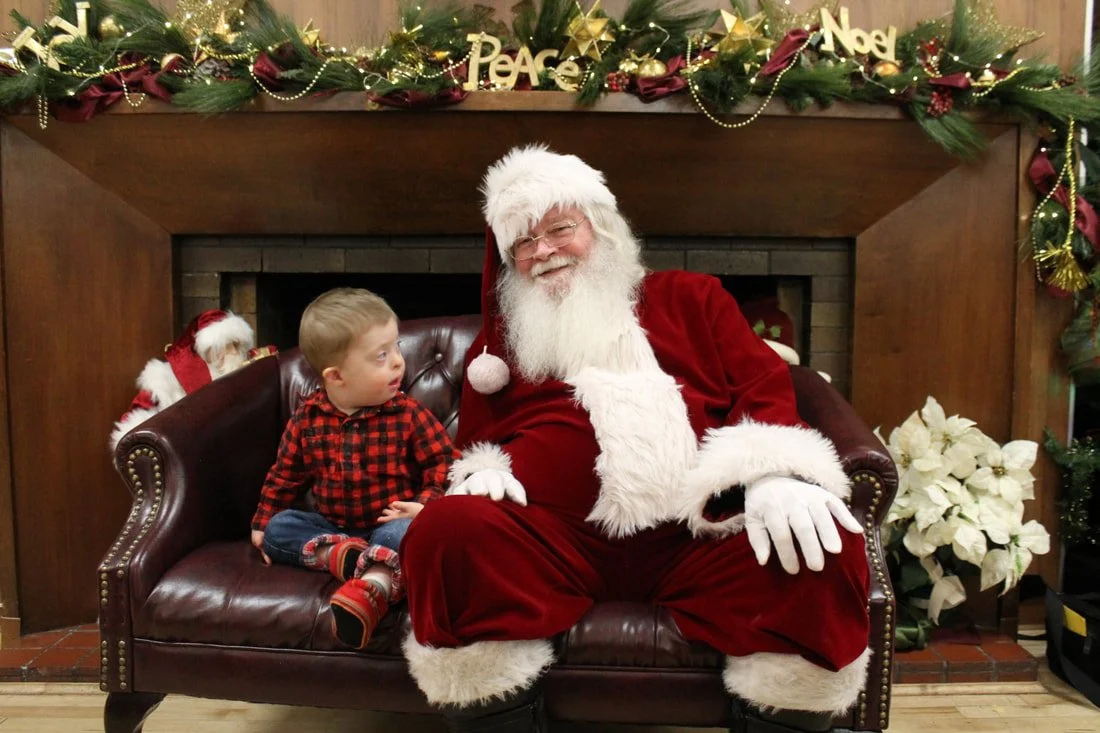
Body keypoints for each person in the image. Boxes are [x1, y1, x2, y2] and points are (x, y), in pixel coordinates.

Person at [399, 146, 870, 733]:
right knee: (446, 532)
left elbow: (762, 385)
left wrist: (774, 471)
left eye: (559, 229)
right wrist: (485, 469)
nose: (542, 251)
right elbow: (480, 440)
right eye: (522, 242)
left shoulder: (694, 299)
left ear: (601, 228)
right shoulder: (501, 350)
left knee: (820, 552)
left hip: (698, 535)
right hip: (555, 544)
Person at [251, 287, 456, 650]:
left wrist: (426, 504)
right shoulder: (308, 418)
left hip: (389, 523)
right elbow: (285, 475)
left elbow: (444, 463)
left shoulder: (407, 414)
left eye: (396, 348)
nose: (397, 362)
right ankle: (347, 558)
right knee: (279, 530)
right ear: (336, 376)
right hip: (331, 528)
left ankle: (369, 591)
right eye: (381, 356)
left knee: (407, 535)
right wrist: (263, 521)